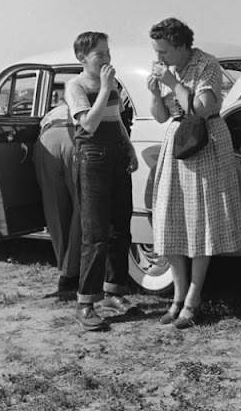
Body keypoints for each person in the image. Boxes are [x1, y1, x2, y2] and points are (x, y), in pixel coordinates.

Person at [147, 18, 241, 329]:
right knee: (170, 219)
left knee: (201, 221)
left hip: (205, 141)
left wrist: (174, 84)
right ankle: (177, 297)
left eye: (164, 51)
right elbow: (163, 116)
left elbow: (201, 108)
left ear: (181, 46)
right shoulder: (168, 69)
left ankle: (193, 297)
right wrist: (154, 92)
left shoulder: (206, 64)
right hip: (176, 143)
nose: (160, 58)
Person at [65, 31, 139, 331]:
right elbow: (89, 123)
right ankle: (85, 302)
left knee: (120, 228)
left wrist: (130, 148)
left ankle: (113, 291)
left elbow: (116, 120)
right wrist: (106, 86)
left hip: (116, 155)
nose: (107, 58)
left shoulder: (112, 85)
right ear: (83, 58)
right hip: (92, 156)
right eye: (99, 54)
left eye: (108, 52)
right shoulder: (77, 85)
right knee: (94, 233)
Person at [32, 88, 82, 292]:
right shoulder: (81, 104)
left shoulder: (51, 113)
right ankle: (75, 269)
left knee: (55, 208)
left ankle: (65, 271)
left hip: (48, 137)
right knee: (81, 206)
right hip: (75, 137)